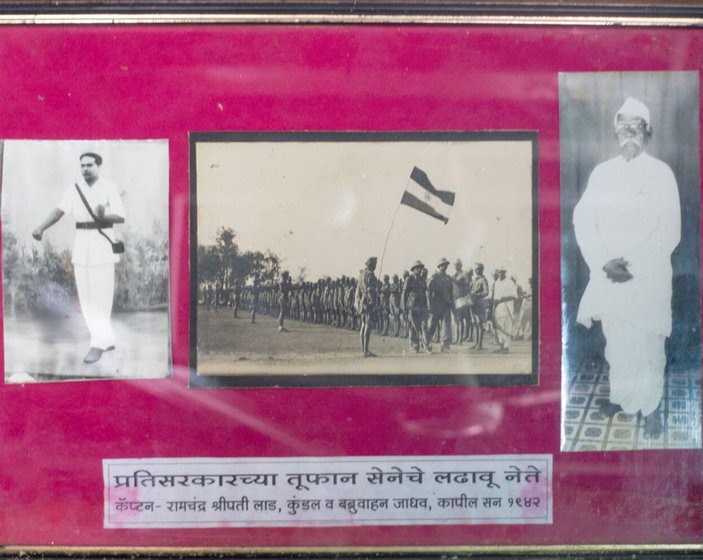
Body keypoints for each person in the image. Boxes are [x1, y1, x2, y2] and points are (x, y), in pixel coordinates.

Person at [573, 97, 681, 438]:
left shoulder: (661, 173)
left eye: (635, 128)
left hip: (647, 277)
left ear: (647, 132)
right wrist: (603, 260)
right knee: (617, 343)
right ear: (616, 132)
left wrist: (633, 266)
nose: (629, 135)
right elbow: (583, 220)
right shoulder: (602, 173)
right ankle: (623, 398)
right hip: (608, 273)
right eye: (623, 129)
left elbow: (670, 230)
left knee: (648, 346)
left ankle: (650, 409)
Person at [32, 152, 125, 364]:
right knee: (86, 299)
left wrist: (103, 216)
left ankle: (97, 344)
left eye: (90, 165)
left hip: (102, 246)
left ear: (98, 166)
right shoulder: (74, 189)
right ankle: (106, 339)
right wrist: (41, 227)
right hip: (82, 247)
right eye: (82, 165)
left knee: (100, 298)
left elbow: (120, 215)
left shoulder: (108, 187)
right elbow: (59, 211)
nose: (85, 169)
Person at [427, 257, 455, 352]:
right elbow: (429, 291)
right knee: (432, 325)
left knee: (446, 325)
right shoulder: (434, 277)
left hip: (446, 305)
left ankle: (445, 345)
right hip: (436, 304)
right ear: (439, 266)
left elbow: (451, 292)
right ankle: (427, 343)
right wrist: (429, 304)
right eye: (442, 265)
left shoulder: (448, 278)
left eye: (446, 265)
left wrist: (452, 303)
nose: (445, 267)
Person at [402, 260, 430, 353]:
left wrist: (427, 307)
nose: (419, 269)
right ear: (413, 269)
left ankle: (426, 346)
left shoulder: (422, 280)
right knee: (414, 327)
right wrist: (403, 308)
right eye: (417, 268)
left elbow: (425, 293)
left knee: (424, 326)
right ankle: (414, 346)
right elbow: (404, 294)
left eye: (420, 268)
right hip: (412, 306)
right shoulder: (409, 279)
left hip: (422, 306)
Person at [491, 266, 518, 353]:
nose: (500, 273)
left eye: (502, 272)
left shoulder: (510, 282)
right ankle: (501, 346)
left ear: (505, 272)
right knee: (499, 328)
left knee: (507, 327)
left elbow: (514, 296)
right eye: (499, 272)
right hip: (498, 308)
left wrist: (503, 299)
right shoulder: (497, 283)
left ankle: (506, 348)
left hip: (507, 308)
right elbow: (495, 297)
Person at [355, 257, 379, 357]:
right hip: (368, 302)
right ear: (371, 265)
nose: (376, 266)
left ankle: (363, 350)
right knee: (367, 325)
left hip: (361, 302)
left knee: (363, 325)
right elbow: (369, 290)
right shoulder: (370, 274)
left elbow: (358, 289)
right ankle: (366, 350)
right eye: (375, 264)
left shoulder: (361, 274)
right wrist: (373, 302)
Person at [470, 262, 490, 350]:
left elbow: (486, 292)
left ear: (482, 270)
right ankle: (476, 343)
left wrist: (478, 295)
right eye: (476, 269)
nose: (477, 271)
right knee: (475, 323)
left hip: (480, 303)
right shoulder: (475, 280)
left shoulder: (483, 280)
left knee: (480, 323)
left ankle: (480, 344)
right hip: (473, 303)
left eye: (478, 269)